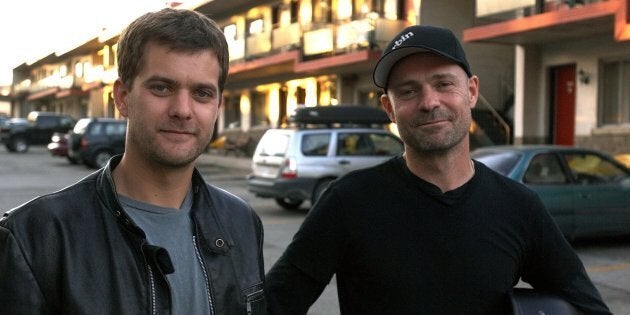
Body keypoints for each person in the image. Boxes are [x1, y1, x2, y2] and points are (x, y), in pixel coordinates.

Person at [265, 25, 611, 314]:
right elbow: (276, 303)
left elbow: (585, 304)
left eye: (444, 84)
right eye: (409, 91)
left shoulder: (519, 206)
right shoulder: (348, 202)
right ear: (390, 107)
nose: (429, 102)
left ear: (472, 92)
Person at [0, 8, 266, 314]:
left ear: (218, 105)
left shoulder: (241, 222)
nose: (182, 109)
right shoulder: (36, 237)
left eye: (202, 93)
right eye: (162, 88)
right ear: (122, 97)